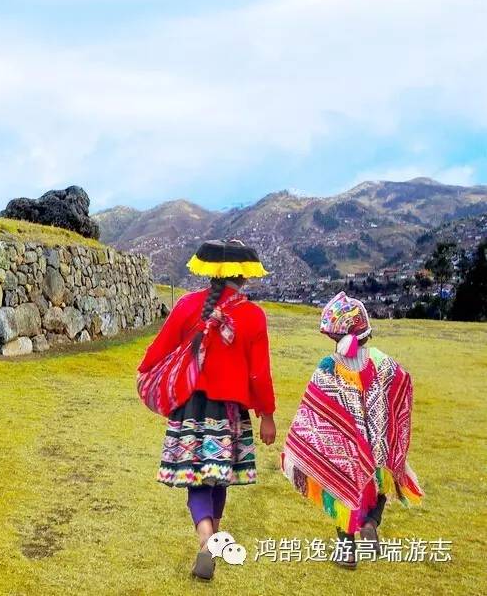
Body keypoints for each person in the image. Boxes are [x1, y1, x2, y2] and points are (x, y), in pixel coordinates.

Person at [138, 239, 277, 580]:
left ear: (211, 270)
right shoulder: (253, 316)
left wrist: (149, 373)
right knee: (219, 479)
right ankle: (211, 539)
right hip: (229, 411)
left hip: (190, 407)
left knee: (195, 477)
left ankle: (206, 538)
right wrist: (267, 415)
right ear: (244, 275)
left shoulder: (188, 306)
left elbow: (157, 352)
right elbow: (259, 373)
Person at [281, 292, 423, 569]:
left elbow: (313, 409)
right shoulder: (382, 362)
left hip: (344, 446)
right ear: (365, 333)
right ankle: (371, 522)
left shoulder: (329, 367)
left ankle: (347, 549)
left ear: (335, 336)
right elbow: (403, 381)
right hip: (377, 443)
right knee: (381, 481)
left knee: (340, 485)